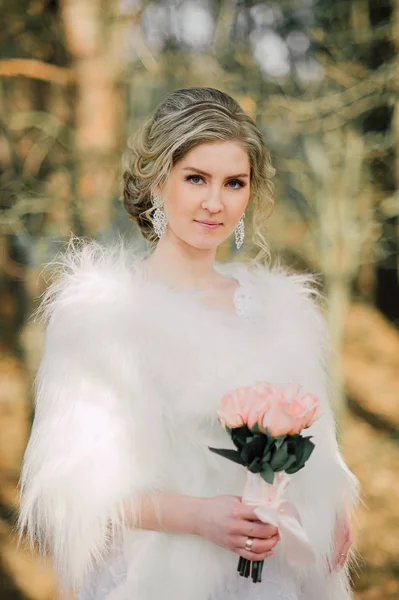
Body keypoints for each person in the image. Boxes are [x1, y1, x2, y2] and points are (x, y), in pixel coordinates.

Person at [17, 87, 359, 600]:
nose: (214, 202)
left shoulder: (282, 312)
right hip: (158, 574)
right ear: (158, 182)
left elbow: (319, 449)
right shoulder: (102, 313)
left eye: (234, 182)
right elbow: (75, 486)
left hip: (277, 574)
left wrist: (331, 507)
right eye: (196, 178)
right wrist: (199, 516)